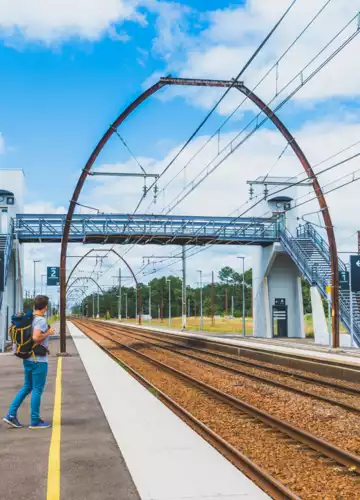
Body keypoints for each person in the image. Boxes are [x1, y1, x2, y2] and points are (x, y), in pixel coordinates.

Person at [3, 295, 55, 429]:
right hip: (39, 360)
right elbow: (36, 338)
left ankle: (10, 415)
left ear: (34, 305)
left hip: (27, 358)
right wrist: (48, 333)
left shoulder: (28, 319)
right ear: (45, 307)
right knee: (37, 389)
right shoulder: (40, 321)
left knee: (27, 387)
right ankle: (35, 420)